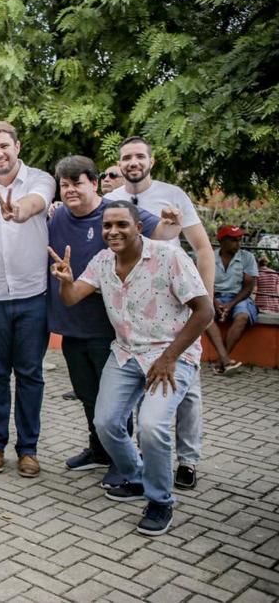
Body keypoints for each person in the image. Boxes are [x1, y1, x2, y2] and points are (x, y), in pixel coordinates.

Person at [51, 201, 212, 536]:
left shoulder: (169, 258)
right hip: (125, 354)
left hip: (171, 356)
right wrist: (66, 280)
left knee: (152, 427)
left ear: (138, 227)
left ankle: (160, 500)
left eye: (122, 225)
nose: (113, 232)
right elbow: (72, 298)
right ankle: (137, 475)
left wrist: (169, 357)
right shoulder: (102, 261)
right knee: (106, 422)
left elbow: (204, 310)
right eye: (108, 226)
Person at [48, 156, 179, 484]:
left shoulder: (114, 213)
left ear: (93, 183)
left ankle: (124, 462)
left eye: (77, 182)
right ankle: (98, 449)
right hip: (71, 324)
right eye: (65, 185)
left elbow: (158, 232)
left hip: (111, 329)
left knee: (115, 404)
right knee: (88, 395)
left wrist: (172, 224)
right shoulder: (57, 216)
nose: (71, 190)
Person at [104, 136, 214, 491]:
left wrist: (204, 302)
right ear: (119, 164)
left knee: (186, 390)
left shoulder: (173, 194)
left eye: (139, 156)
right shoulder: (111, 201)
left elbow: (202, 249)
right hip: (134, 313)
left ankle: (188, 459)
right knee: (140, 390)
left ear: (151, 160)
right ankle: (145, 458)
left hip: (177, 305)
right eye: (126, 158)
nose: (132, 162)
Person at [0, 121, 56, 478]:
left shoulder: (40, 179)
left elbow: (36, 203)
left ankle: (29, 449)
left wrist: (18, 210)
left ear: (17, 146)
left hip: (34, 296)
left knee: (31, 374)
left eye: (4, 146)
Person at [205, 225, 258, 374]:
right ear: (221, 241)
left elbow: (248, 288)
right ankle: (226, 360)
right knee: (204, 316)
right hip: (214, 296)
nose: (238, 243)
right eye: (233, 240)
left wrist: (230, 305)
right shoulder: (209, 257)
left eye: (239, 240)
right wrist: (215, 302)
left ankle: (221, 361)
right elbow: (204, 284)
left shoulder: (247, 257)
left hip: (239, 297)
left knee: (242, 316)